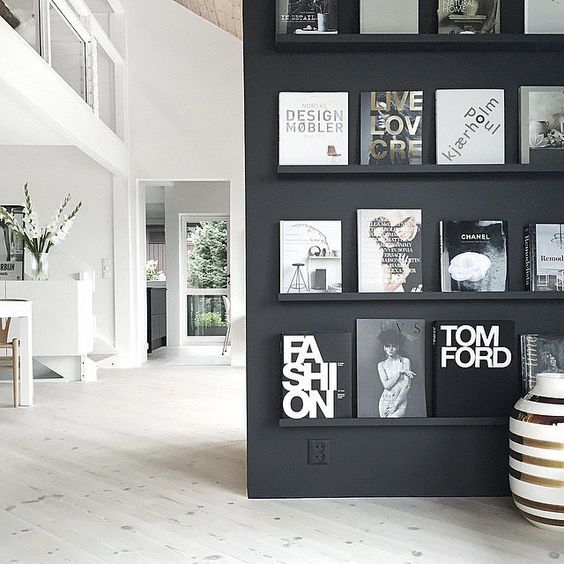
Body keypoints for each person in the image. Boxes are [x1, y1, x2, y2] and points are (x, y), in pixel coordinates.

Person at [377, 329, 415, 418]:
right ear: (384, 347)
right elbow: (386, 386)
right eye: (387, 346)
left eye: (393, 346)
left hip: (400, 400)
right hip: (385, 400)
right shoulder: (381, 365)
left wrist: (395, 405)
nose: (390, 349)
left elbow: (407, 386)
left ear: (398, 347)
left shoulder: (405, 361)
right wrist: (399, 373)